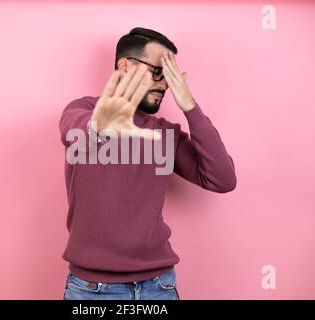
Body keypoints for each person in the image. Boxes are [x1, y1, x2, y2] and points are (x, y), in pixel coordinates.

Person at [59, 27, 237, 300]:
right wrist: (100, 126)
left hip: (158, 286)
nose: (164, 84)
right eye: (157, 71)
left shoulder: (165, 134)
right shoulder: (81, 111)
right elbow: (74, 131)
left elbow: (222, 179)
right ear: (125, 66)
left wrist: (189, 105)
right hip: (92, 291)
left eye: (169, 76)